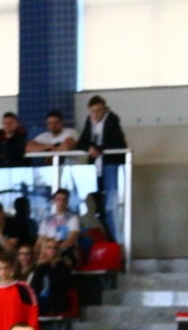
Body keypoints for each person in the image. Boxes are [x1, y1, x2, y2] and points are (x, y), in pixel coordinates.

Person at [76, 95, 128, 243]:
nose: (96, 114)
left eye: (99, 110)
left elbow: (117, 143)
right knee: (99, 205)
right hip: (95, 168)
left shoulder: (112, 120)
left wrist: (98, 148)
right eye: (93, 111)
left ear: (105, 109)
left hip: (110, 165)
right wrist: (90, 148)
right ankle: (110, 238)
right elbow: (81, 143)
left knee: (111, 204)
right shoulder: (89, 122)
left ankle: (117, 240)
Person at [36, 188, 80, 268]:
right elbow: (40, 241)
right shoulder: (46, 220)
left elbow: (72, 239)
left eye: (64, 200)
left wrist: (54, 249)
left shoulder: (73, 218)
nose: (61, 202)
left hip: (64, 252)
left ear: (67, 202)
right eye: (58, 199)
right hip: (47, 252)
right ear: (54, 201)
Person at [29, 239, 71, 316]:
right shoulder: (40, 267)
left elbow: (60, 284)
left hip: (57, 299)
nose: (52, 250)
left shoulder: (62, 266)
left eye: (55, 248)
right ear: (44, 249)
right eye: (49, 247)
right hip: (42, 298)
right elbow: (34, 285)